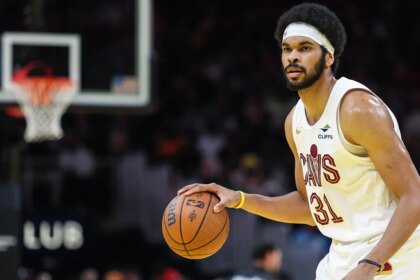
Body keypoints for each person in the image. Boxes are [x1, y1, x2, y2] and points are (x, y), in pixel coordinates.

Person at [178, 3, 420, 279]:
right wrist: (241, 199)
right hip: (344, 253)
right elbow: (310, 207)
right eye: (287, 49)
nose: (293, 56)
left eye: (305, 48)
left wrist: (369, 265)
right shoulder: (294, 122)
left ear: (328, 57)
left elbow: (414, 196)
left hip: (395, 254)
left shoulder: (358, 109)